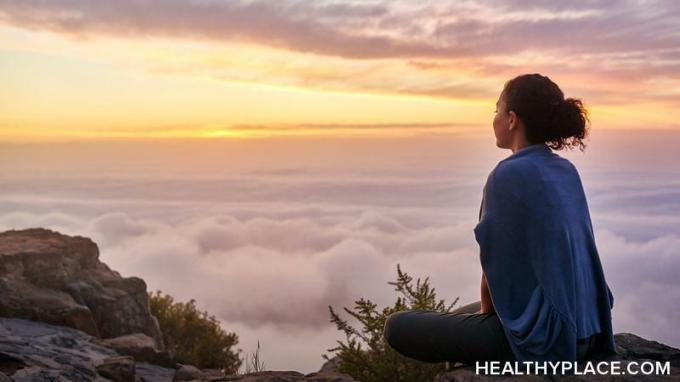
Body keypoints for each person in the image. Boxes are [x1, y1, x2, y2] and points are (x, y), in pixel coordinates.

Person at [382, 73, 618, 368]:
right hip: (589, 329)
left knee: (398, 326)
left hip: (550, 341)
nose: (493, 118)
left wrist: (486, 318)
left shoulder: (507, 175)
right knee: (456, 317)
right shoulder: (565, 170)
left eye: (497, 109)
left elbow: (494, 269)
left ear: (512, 119)